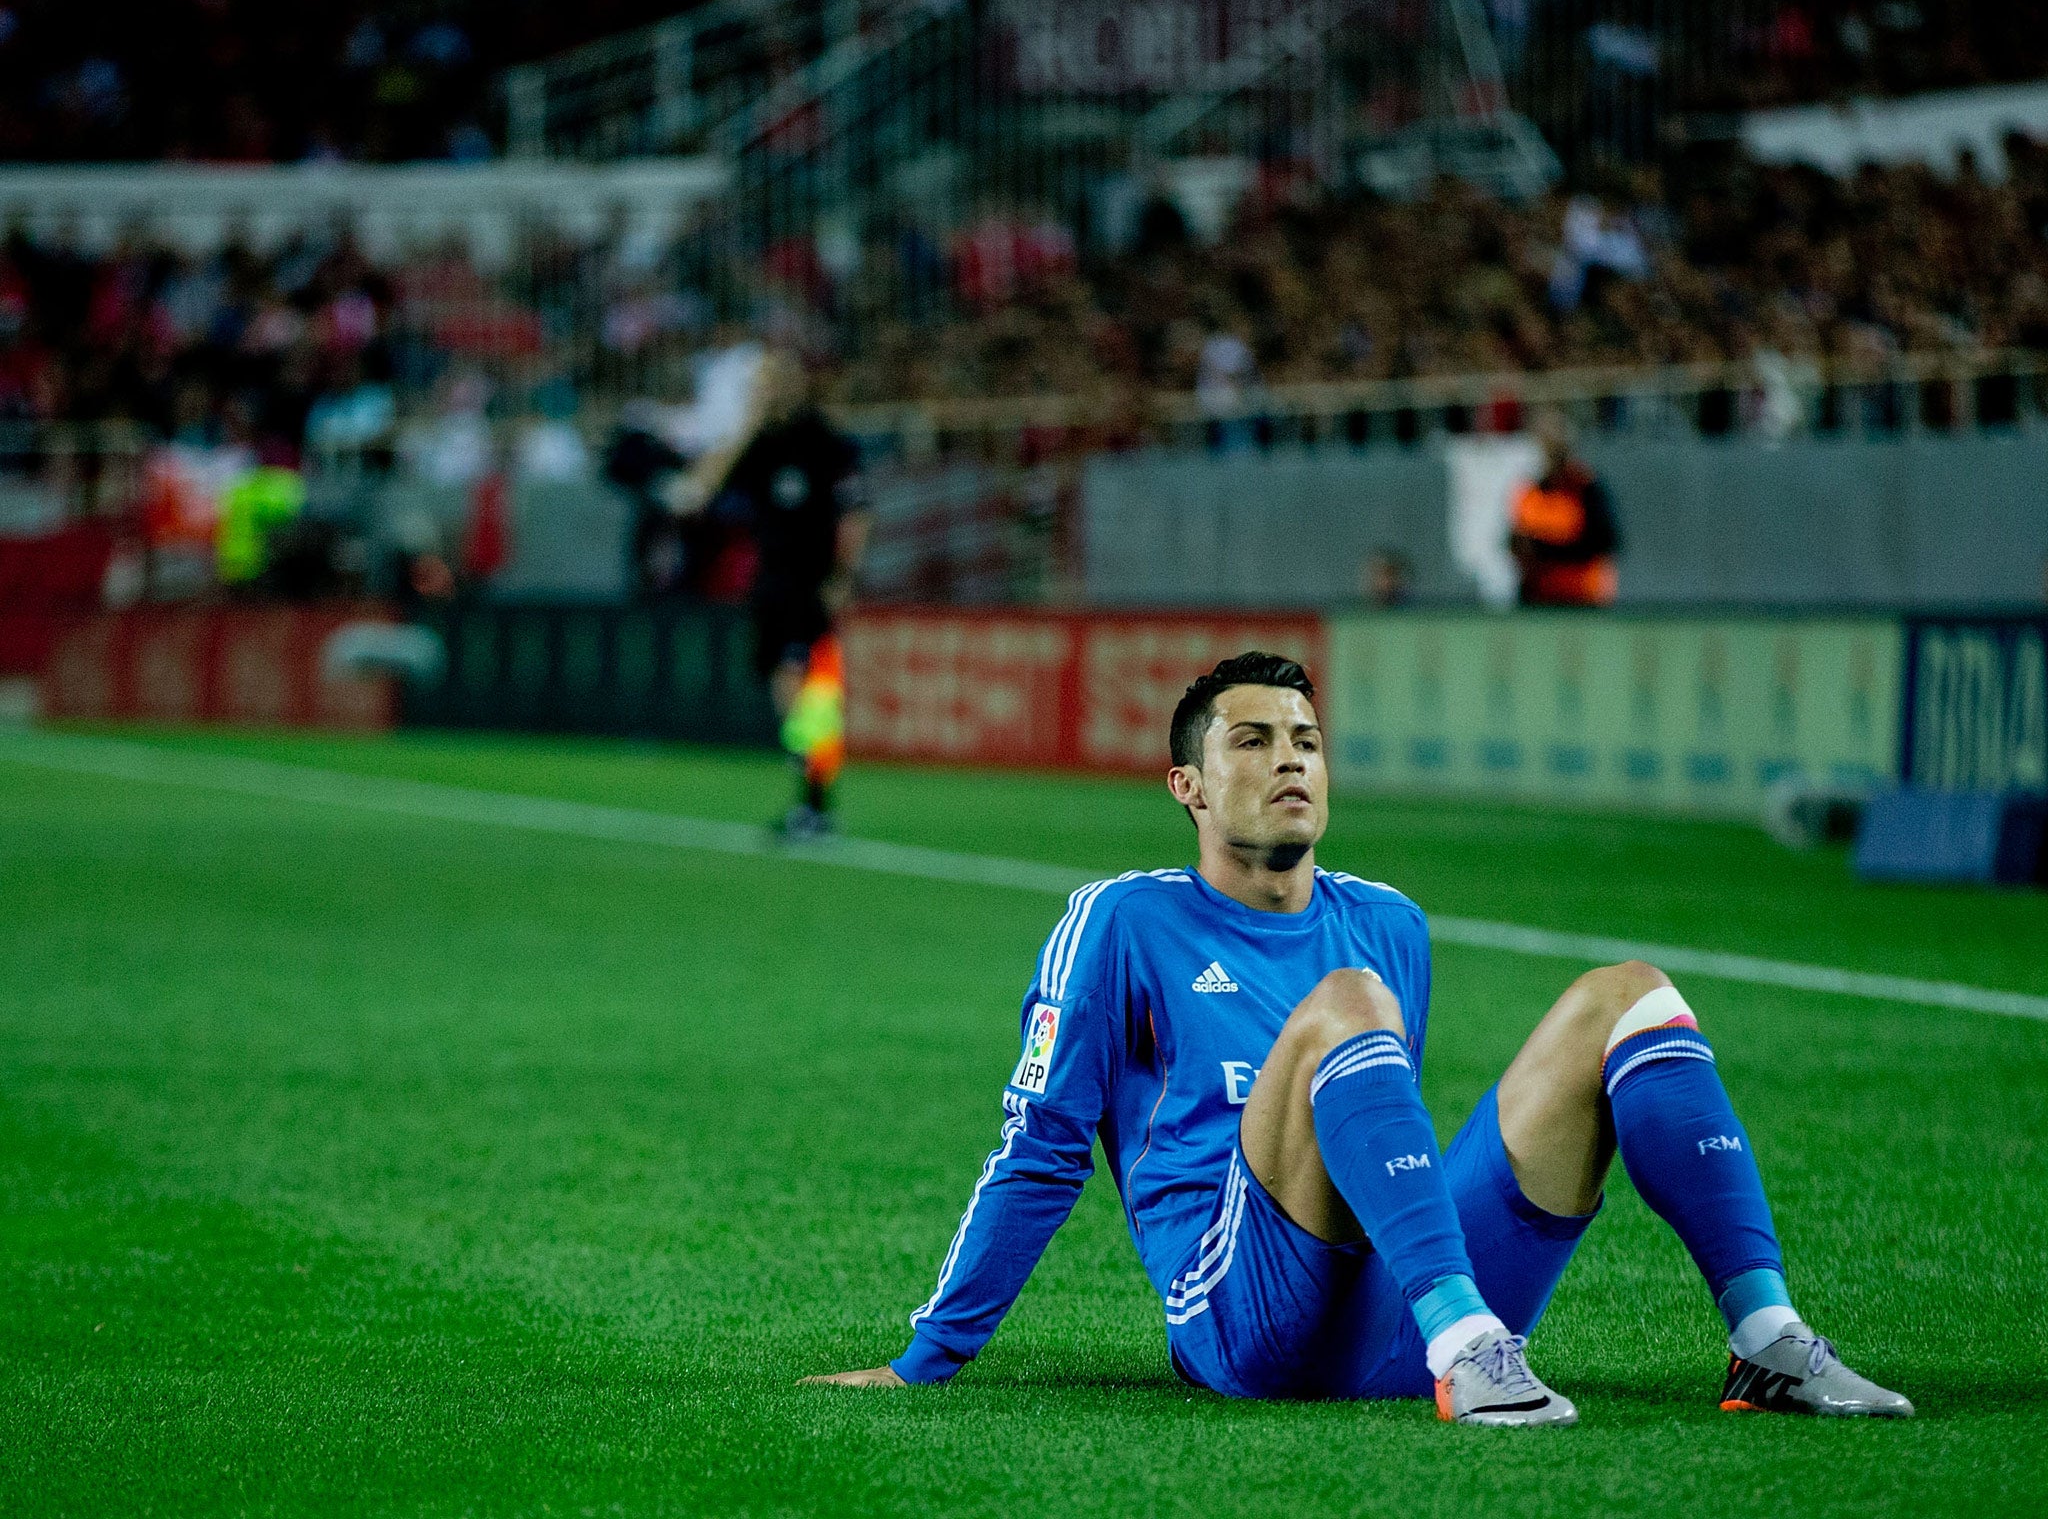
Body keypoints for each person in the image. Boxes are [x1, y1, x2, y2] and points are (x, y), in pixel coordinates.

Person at [803, 652, 1912, 1423]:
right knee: (1346, 1003)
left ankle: (1762, 1339)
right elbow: (1039, 1153)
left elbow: (1380, 1137)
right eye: (1253, 741)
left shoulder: (1388, 922)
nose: (1290, 760)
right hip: (1239, 1321)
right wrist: (925, 1361)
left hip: (1398, 1309)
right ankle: (1466, 1345)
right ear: (1187, 786)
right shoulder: (1120, 923)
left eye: (1306, 740)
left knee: (1624, 994)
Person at [713, 351, 870, 836]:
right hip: (772, 584)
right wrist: (744, 428)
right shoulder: (761, 442)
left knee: (806, 690)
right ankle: (811, 800)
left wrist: (843, 575)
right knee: (790, 693)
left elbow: (855, 513)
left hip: (809, 583)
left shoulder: (822, 441)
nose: (764, 390)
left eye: (771, 381)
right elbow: (704, 488)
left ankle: (816, 802)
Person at [1510, 415, 1621, 607]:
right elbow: (1516, 542)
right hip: (1539, 597)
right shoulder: (1530, 491)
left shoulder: (1585, 487)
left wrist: (1545, 549)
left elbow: (1604, 540)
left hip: (1583, 597)